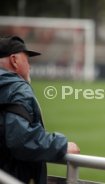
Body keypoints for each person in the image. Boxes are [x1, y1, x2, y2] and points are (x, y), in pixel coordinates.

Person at [0, 36, 80, 184]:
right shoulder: (17, 87)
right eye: (27, 60)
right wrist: (62, 145)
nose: (29, 66)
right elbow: (21, 140)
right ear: (14, 60)